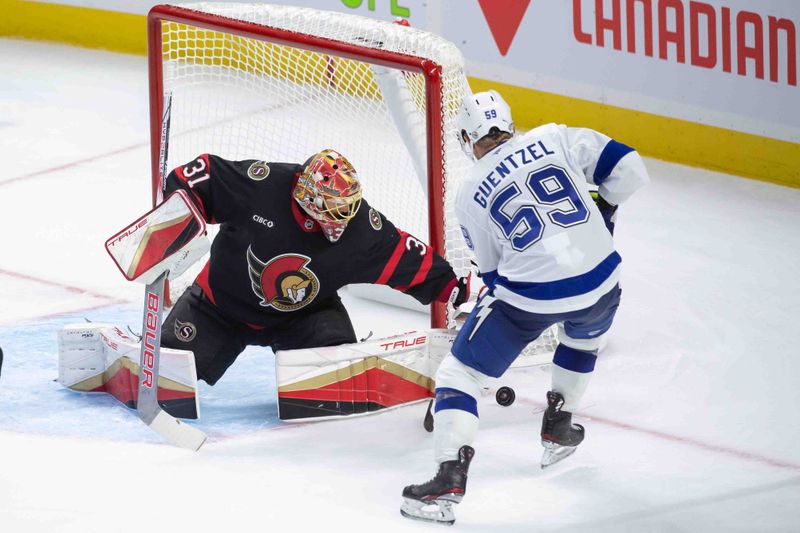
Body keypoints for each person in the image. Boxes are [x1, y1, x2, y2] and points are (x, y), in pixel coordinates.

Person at [400, 91, 650, 524]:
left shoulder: (469, 191)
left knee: (460, 373)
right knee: (581, 338)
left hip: (530, 299)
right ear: (510, 124)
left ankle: (449, 477)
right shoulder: (556, 137)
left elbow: (493, 274)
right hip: (604, 281)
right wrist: (603, 210)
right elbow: (630, 170)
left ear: (466, 137)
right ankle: (559, 425)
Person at [159, 149, 469, 388]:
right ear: (308, 198)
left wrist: (451, 285)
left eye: (347, 210)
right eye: (334, 211)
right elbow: (201, 177)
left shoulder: (359, 228)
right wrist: (177, 216)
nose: (342, 223)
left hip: (304, 318)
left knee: (336, 387)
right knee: (167, 380)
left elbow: (403, 254)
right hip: (219, 306)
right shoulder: (262, 186)